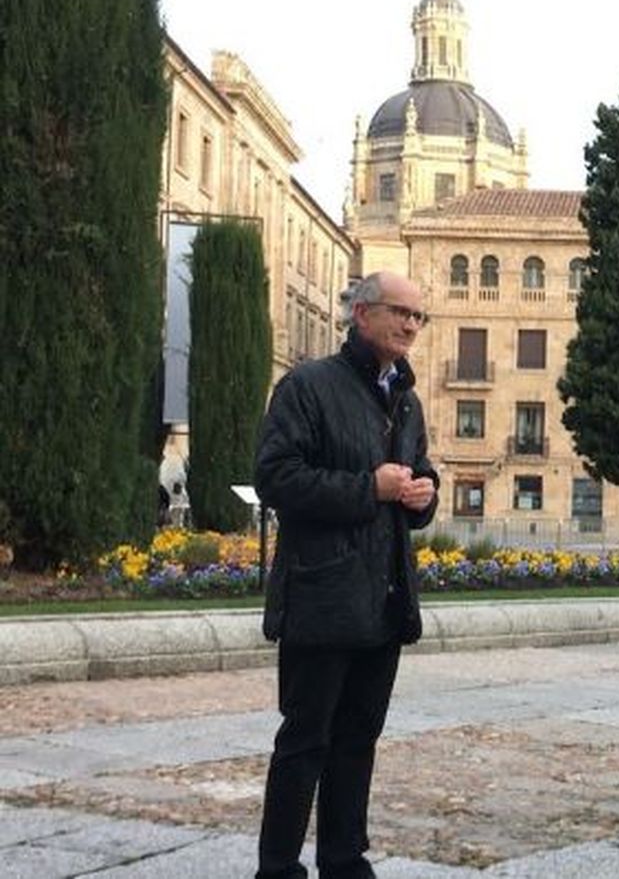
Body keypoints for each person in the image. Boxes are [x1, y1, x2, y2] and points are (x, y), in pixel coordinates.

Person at [253, 272, 439, 879]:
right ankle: (278, 869)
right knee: (304, 742)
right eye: (399, 312)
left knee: (358, 741)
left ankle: (344, 861)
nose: (410, 325)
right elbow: (276, 478)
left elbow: (418, 473)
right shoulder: (307, 386)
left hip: (383, 601)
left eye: (418, 316)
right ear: (361, 314)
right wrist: (369, 488)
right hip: (321, 596)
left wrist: (424, 494)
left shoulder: (406, 399)